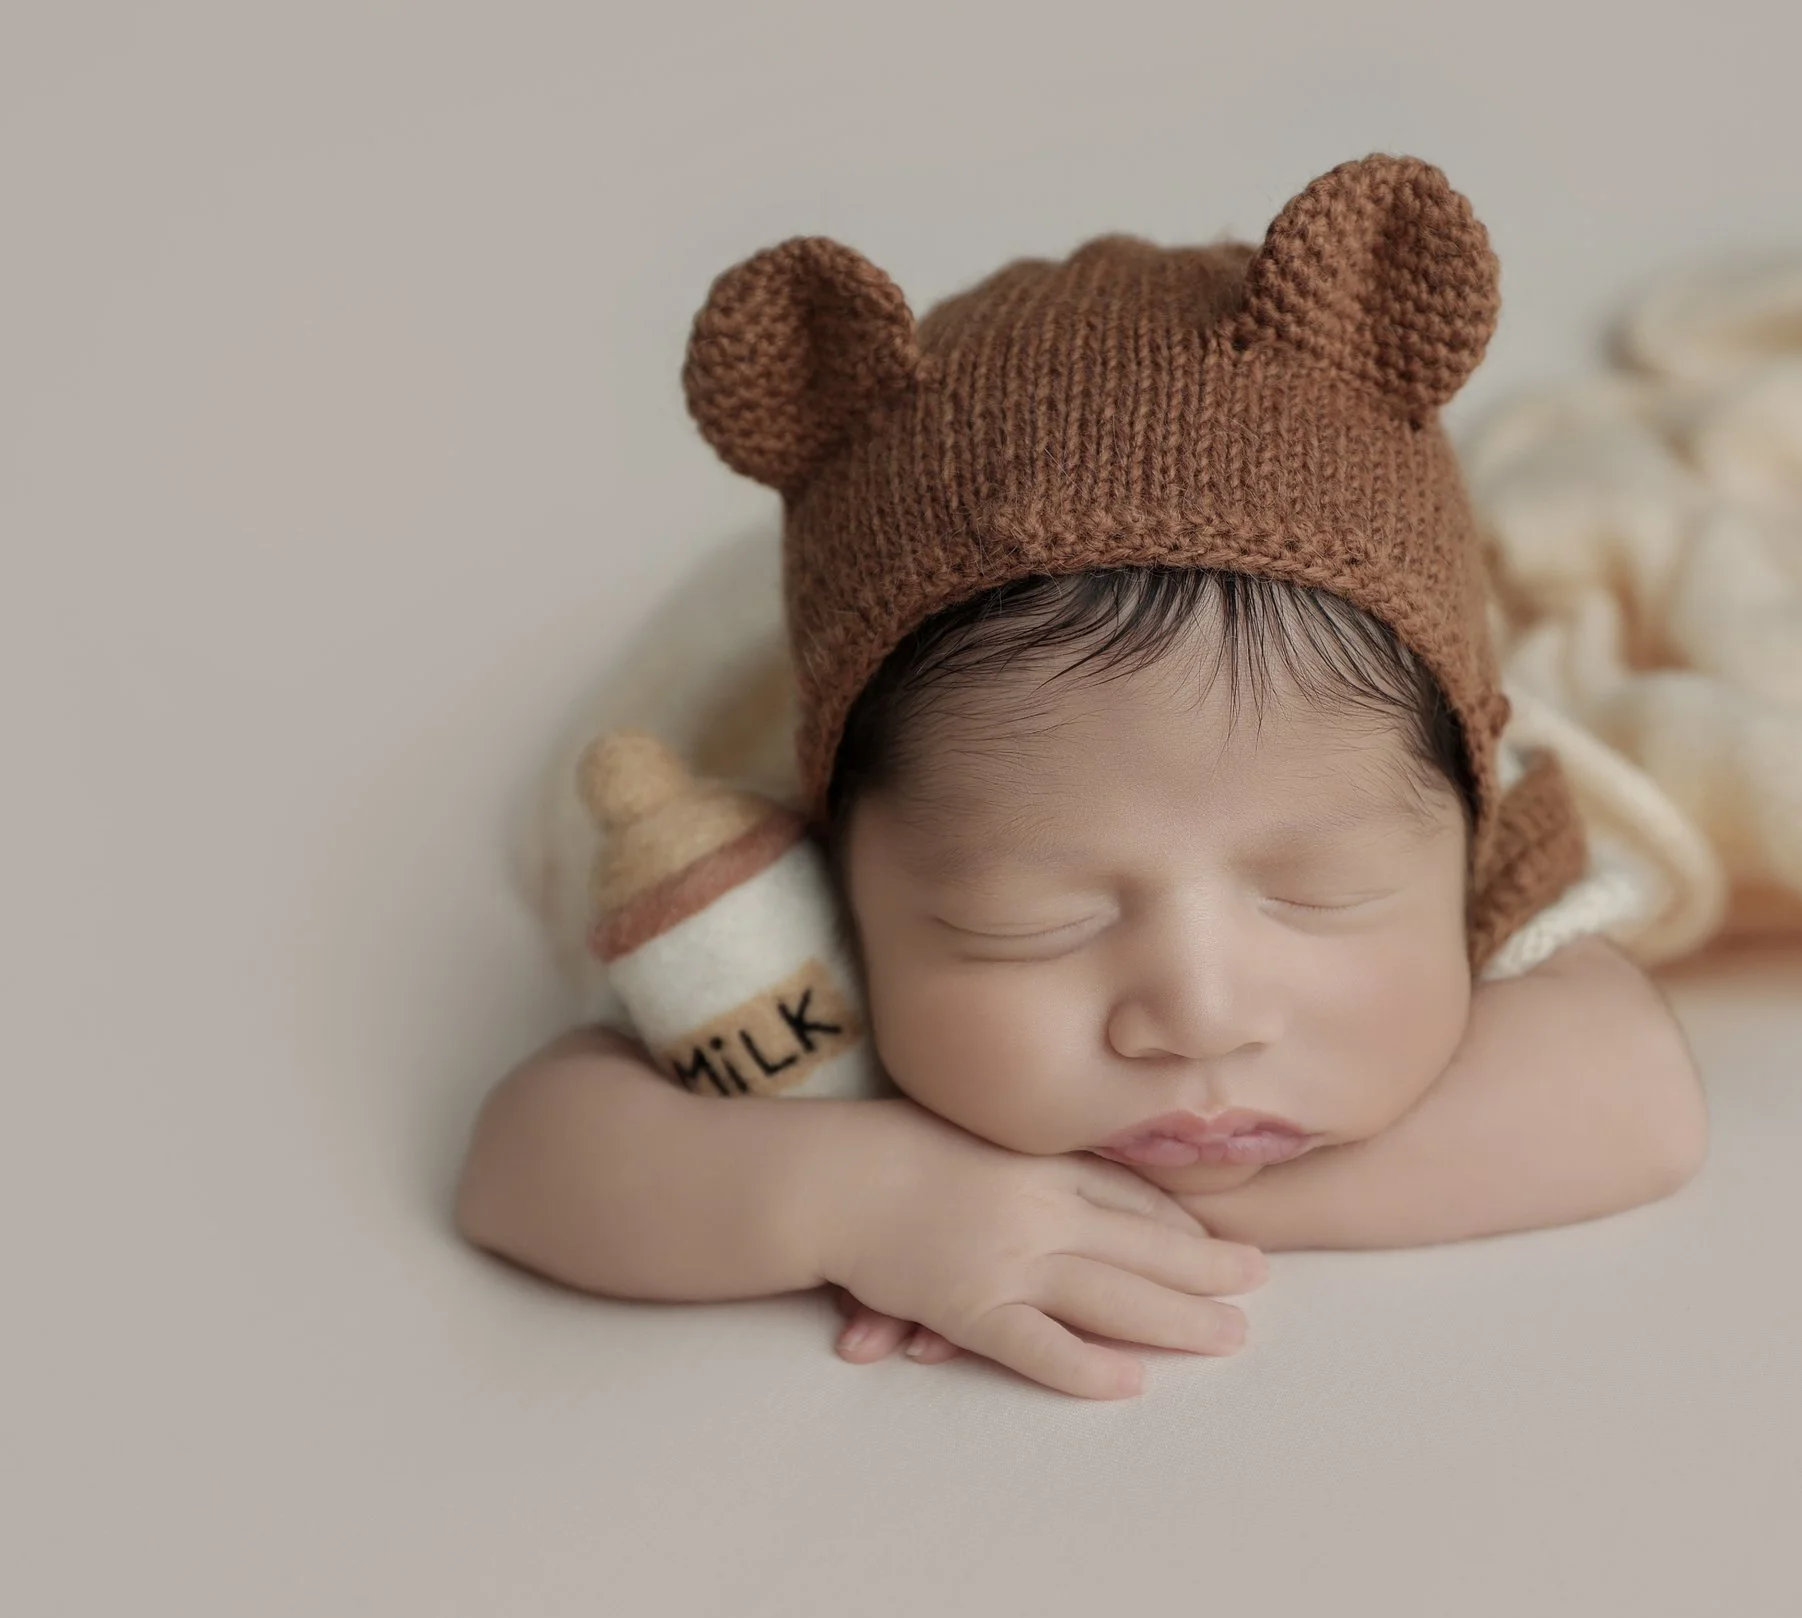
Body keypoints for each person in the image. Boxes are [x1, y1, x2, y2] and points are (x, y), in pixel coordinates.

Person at [451, 155, 1708, 1401]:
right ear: (851, 865)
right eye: (1030, 919)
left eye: (1322, 890)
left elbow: (1633, 1097)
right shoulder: (782, 895)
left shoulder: (1477, 810)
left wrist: (1108, 1227)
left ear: (1462, 826)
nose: (1201, 1015)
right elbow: (522, 1160)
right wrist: (856, 1196)